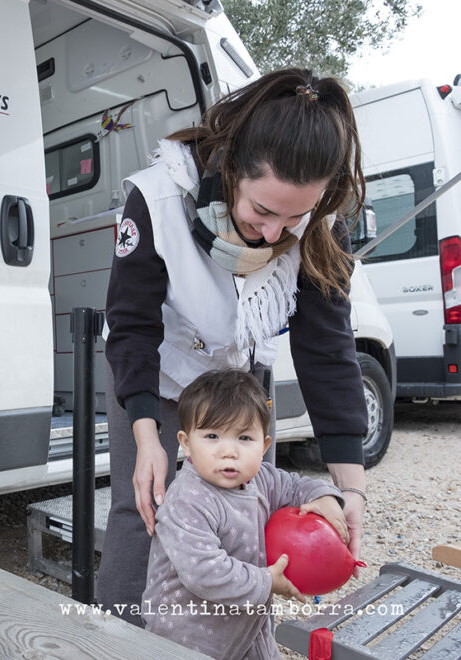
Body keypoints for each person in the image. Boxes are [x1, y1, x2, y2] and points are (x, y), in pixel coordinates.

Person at [99, 68, 369, 625]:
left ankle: (233, 636)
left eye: (296, 216)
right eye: (263, 211)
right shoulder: (157, 198)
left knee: (244, 508)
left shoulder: (321, 226)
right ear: (230, 169)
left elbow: (328, 350)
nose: (275, 234)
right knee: (142, 506)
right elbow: (132, 325)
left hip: (241, 376)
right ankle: (117, 638)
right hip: (155, 372)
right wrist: (147, 437)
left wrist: (352, 489)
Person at [140, 369, 347, 660]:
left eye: (244, 438)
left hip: (247, 630)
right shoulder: (187, 500)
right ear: (186, 443)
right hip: (187, 637)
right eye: (212, 436)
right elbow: (205, 572)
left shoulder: (260, 478)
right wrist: (266, 583)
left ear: (264, 445)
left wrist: (323, 496)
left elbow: (296, 485)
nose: (229, 451)